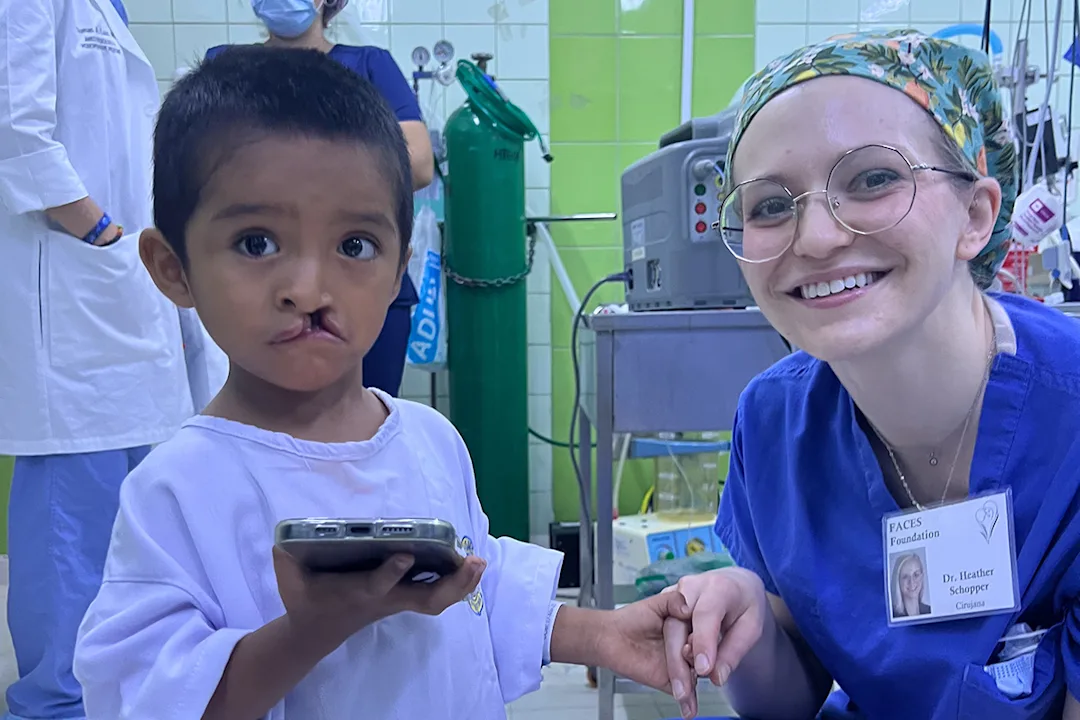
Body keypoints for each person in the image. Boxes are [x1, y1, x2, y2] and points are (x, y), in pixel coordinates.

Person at [71, 47, 689, 719]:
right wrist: (314, 626)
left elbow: (475, 587)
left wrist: (602, 633)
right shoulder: (177, 492)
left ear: (401, 268)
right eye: (256, 242)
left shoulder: (428, 439)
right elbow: (152, 698)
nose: (308, 290)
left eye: (355, 245)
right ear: (173, 268)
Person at [660, 30, 1080, 720]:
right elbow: (791, 696)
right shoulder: (774, 424)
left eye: (873, 179)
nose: (818, 238)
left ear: (976, 216)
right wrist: (747, 629)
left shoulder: (1069, 419)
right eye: (769, 205)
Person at [0, 1, 195, 719]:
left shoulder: (103, 9)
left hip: (113, 289)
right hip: (75, 287)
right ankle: (55, 701)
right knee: (71, 505)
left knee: (124, 508)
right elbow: (16, 130)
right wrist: (103, 233)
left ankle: (113, 683)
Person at [204, 0, 434, 398]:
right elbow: (198, 167)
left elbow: (418, 163)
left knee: (364, 432)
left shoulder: (369, 65)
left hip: (358, 281)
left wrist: (278, 180)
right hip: (258, 281)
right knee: (266, 431)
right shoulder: (225, 65)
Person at [891, 553, 930, 619]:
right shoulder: (893, 615)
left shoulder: (929, 610)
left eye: (916, 574)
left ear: (922, 576)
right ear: (898, 581)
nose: (911, 582)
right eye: (905, 577)